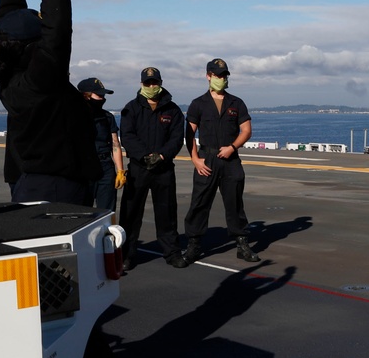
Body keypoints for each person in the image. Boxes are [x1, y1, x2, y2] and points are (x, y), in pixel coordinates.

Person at [0, 0, 101, 203]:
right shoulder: (40, 78)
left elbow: (7, 23)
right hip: (56, 187)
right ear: (33, 44)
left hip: (30, 180)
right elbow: (58, 24)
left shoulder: (9, 74)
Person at [181, 58, 259, 263]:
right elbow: (189, 134)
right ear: (208, 76)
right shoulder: (198, 104)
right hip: (207, 159)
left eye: (224, 75)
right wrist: (195, 159)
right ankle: (194, 245)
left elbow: (246, 130)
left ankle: (242, 243)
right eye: (217, 75)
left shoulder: (236, 102)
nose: (221, 78)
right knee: (199, 203)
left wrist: (232, 147)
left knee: (234, 204)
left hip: (231, 160)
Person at [118, 67, 186, 269]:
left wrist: (162, 156)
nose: (151, 86)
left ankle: (172, 252)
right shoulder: (131, 108)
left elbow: (177, 138)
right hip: (139, 168)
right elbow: (127, 136)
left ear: (161, 83)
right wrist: (144, 156)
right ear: (141, 84)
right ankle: (126, 255)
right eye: (147, 83)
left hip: (164, 169)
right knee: (130, 214)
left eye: (155, 82)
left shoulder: (172, 109)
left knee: (167, 212)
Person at [78, 78, 126, 212]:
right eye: (98, 95)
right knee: (80, 211)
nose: (102, 98)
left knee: (107, 211)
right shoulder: (75, 117)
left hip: (105, 166)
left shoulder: (107, 117)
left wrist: (120, 170)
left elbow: (115, 144)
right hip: (83, 167)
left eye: (103, 95)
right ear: (86, 95)